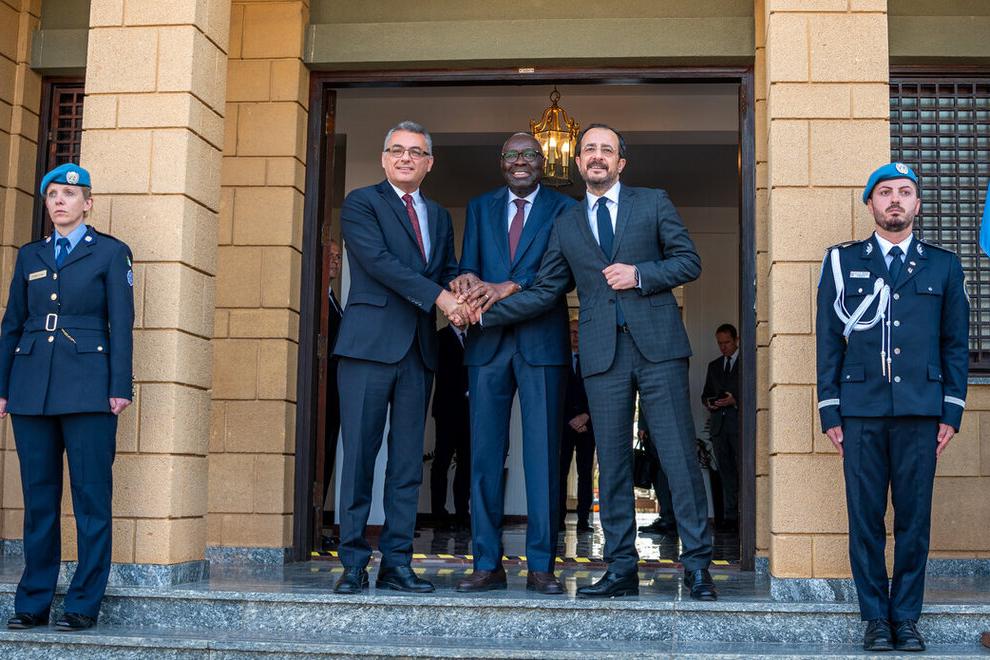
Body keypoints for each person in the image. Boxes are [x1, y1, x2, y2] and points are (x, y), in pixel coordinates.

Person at [459, 124, 716, 600]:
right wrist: (480, 315)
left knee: (678, 457)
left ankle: (698, 567)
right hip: (601, 356)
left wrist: (640, 274)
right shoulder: (567, 222)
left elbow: (689, 261)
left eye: (606, 150)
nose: (597, 156)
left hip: (659, 350)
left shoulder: (652, 202)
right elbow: (546, 290)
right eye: (589, 150)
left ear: (621, 162)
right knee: (611, 465)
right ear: (578, 164)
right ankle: (620, 569)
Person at [816, 162, 968, 652]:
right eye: (885, 192)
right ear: (871, 204)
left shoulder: (944, 265)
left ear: (917, 204)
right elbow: (828, 341)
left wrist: (950, 412)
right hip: (860, 411)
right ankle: (875, 619)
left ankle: (905, 617)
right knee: (865, 520)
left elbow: (954, 344)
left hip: (922, 412)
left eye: (905, 191)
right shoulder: (841, 262)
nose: (895, 200)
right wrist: (830, 409)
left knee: (913, 521)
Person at [0, 163, 134, 631]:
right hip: (31, 387)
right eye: (53, 194)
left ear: (87, 203)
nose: (60, 201)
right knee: (38, 501)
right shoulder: (30, 256)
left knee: (91, 498)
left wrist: (120, 386)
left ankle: (82, 603)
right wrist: (2, 387)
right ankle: (33, 601)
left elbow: (122, 323)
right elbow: (12, 324)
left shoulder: (111, 253)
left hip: (89, 388)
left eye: (69, 194)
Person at [332, 121, 460, 595]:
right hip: (367, 347)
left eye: (416, 152)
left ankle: (397, 564)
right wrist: (441, 298)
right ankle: (352, 563)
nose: (406, 157)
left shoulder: (439, 216)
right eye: (397, 150)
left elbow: (446, 270)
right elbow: (379, 262)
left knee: (406, 464)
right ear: (385, 158)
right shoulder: (362, 203)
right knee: (359, 458)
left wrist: (464, 288)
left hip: (418, 351)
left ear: (430, 163)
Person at [450, 133, 576, 595]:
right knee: (483, 457)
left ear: (543, 162)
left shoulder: (566, 209)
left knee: (544, 458)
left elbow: (559, 277)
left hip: (543, 344)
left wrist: (506, 286)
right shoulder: (479, 207)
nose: (520, 161)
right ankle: (486, 563)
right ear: (500, 161)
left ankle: (542, 566)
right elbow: (467, 265)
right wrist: (464, 280)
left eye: (529, 155)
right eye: (511, 155)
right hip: (487, 347)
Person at [430, 323, 471, 529]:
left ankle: (462, 512)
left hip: (469, 413)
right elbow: (442, 373)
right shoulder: (440, 338)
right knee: (442, 462)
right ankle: (438, 513)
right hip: (447, 410)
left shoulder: (475, 337)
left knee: (466, 463)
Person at [701, 323, 740, 532]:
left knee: (742, 471)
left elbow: (754, 391)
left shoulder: (747, 361)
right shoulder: (714, 366)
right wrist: (710, 403)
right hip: (718, 427)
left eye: (727, 342)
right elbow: (705, 394)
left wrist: (735, 400)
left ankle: (743, 517)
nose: (723, 347)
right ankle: (729, 517)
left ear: (736, 340)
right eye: (720, 343)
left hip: (738, 426)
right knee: (725, 473)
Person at [559, 318, 595, 533]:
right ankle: (558, 519)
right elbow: (555, 395)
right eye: (572, 332)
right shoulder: (560, 361)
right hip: (564, 426)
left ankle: (583, 519)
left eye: (578, 332)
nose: (575, 336)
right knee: (561, 472)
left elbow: (598, 393)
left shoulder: (592, 361)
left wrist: (585, 417)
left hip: (587, 426)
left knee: (585, 473)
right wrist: (570, 420)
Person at [321, 240, 343, 547]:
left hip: (335, 394)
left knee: (327, 457)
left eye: (339, 257)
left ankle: (317, 528)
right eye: (331, 255)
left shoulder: (332, 297)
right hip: (320, 396)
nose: (336, 261)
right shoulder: (316, 299)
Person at [636, 417, 677, 538]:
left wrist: (643, 425)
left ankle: (668, 518)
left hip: (654, 427)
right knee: (660, 471)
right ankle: (668, 517)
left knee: (659, 472)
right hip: (661, 427)